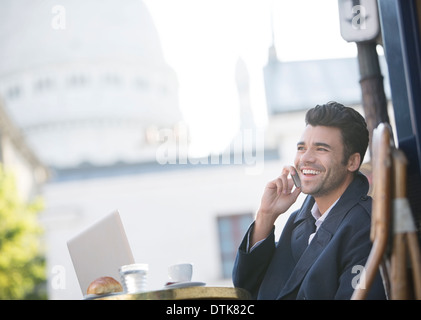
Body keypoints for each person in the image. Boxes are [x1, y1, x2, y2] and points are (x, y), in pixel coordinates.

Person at [232, 101, 386, 300]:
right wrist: (266, 216)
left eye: (321, 149)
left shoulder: (366, 227)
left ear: (352, 162)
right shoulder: (299, 220)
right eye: (301, 148)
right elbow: (245, 288)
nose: (306, 158)